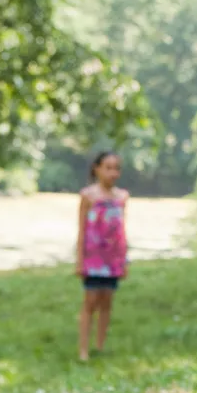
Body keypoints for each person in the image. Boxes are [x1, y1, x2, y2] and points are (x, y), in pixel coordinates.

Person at [75, 151, 130, 362]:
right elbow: (81, 229)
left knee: (107, 300)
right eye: (108, 167)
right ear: (97, 169)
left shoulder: (122, 197)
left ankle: (100, 345)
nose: (113, 173)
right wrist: (80, 259)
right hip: (93, 256)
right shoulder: (88, 196)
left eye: (116, 168)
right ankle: (83, 350)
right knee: (90, 300)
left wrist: (124, 259)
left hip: (113, 257)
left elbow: (122, 229)